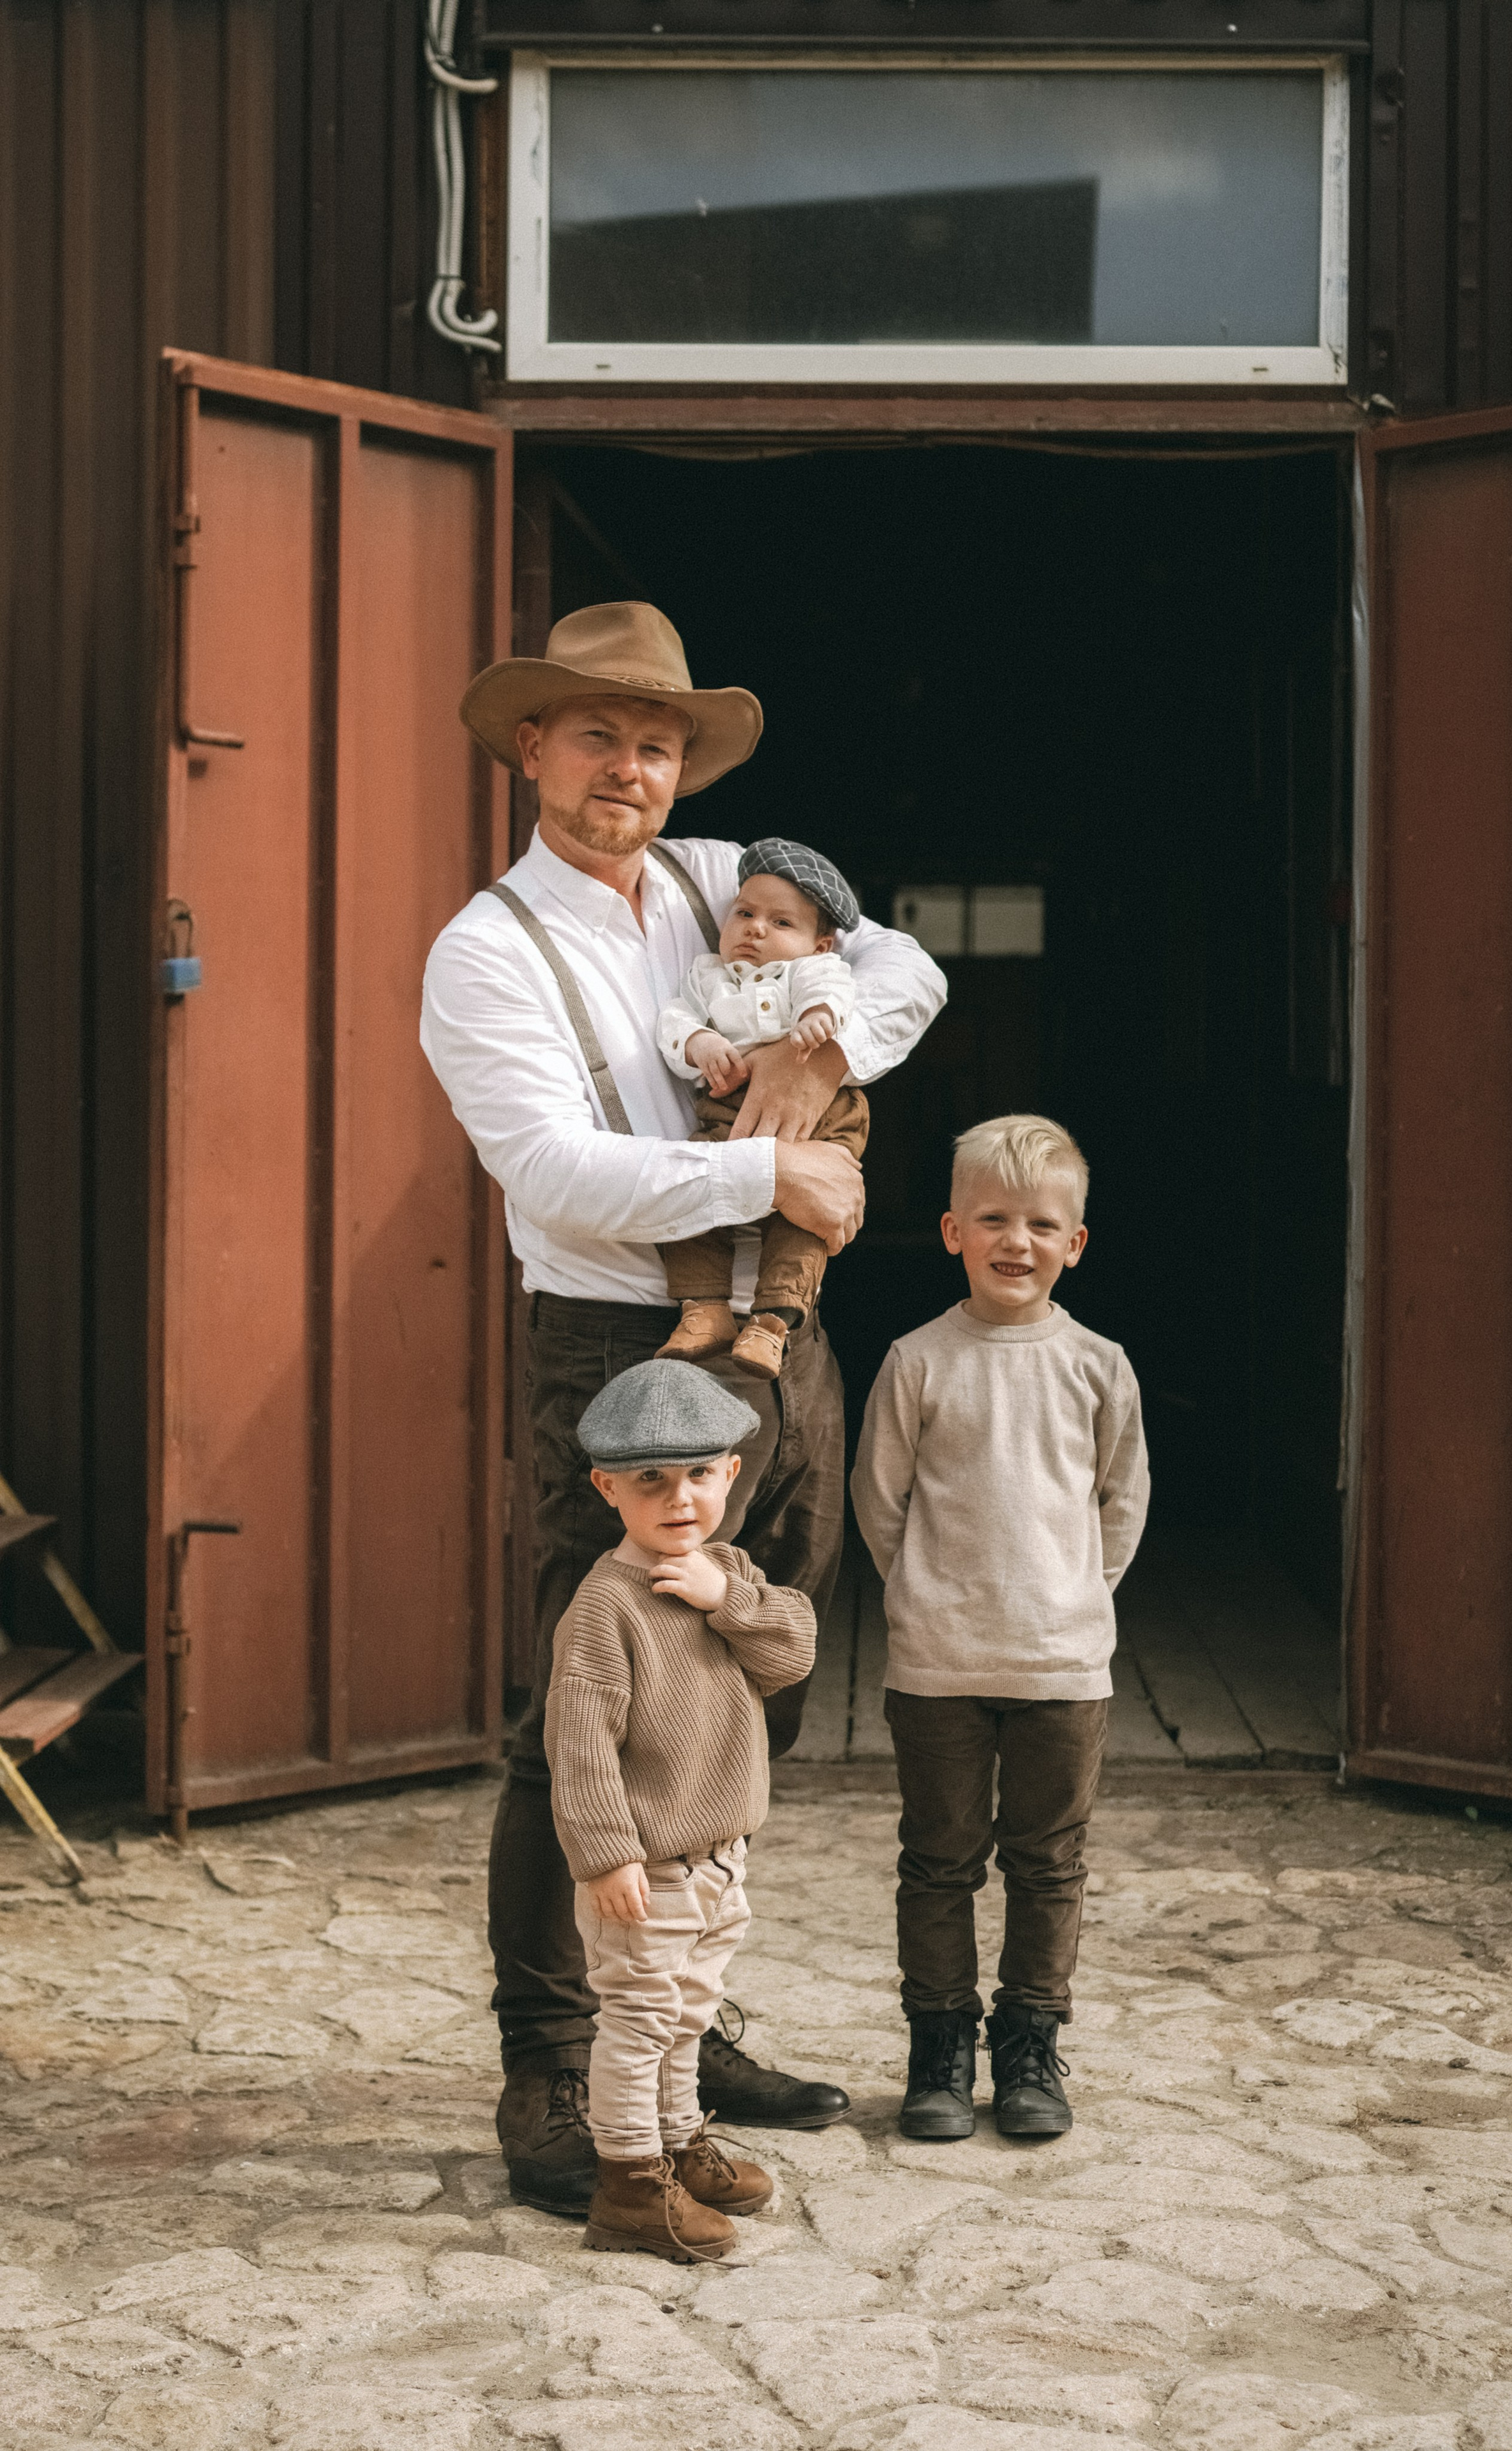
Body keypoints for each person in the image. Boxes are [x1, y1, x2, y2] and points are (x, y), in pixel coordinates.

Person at [420, 600, 946, 2217]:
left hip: (778, 1338)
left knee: (753, 1669)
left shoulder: (725, 878)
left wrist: (816, 1043)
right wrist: (771, 1161)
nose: (628, 769)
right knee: (583, 1702)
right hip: (612, 1339)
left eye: (654, 742)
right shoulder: (485, 947)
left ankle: (683, 2018)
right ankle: (549, 2058)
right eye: (595, 735)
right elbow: (552, 1165)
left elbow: (905, 957)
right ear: (530, 746)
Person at [850, 1113, 1150, 2144]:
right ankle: (939, 2049)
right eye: (992, 1219)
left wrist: (1073, 1596)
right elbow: (881, 1502)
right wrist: (932, 1595)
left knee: (1048, 1864)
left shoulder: (1099, 1367)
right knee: (939, 1861)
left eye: (1040, 1223)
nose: (1015, 1241)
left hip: (1064, 1667)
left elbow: (1121, 1500)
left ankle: (1030, 2046)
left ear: (1075, 1243)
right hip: (938, 1665)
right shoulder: (919, 1362)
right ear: (950, 1232)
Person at [546, 1359, 815, 2263]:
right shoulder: (603, 1608)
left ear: (730, 1476)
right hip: (648, 1868)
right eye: (651, 1481)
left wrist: (725, 1598)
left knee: (690, 2015)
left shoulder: (726, 1573)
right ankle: (628, 2186)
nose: (680, 1499)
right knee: (636, 2023)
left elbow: (793, 1655)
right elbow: (580, 1747)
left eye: (700, 1474)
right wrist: (605, 1855)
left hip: (720, 1859)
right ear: (607, 1488)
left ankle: (676, 2140)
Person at [655, 837, 869, 1383]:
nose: (755, 929)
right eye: (745, 913)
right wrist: (699, 1043)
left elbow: (836, 993)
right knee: (688, 1189)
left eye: (781, 923)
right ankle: (704, 1309)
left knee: (805, 1222)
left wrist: (819, 1019)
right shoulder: (708, 977)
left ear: (819, 945)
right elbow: (674, 1022)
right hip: (730, 1109)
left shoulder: (811, 973)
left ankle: (771, 1323)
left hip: (822, 1118)